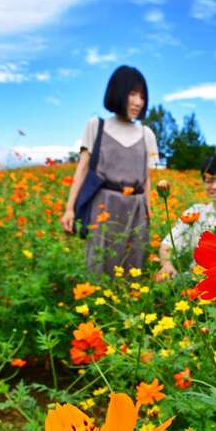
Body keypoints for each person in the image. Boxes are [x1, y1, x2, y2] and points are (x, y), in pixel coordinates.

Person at [60, 66, 159, 277]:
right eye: (132, 94)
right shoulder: (97, 126)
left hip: (137, 208)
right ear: (118, 92)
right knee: (99, 264)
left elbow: (146, 178)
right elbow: (82, 168)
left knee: (135, 266)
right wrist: (69, 209)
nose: (138, 102)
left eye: (142, 96)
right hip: (104, 206)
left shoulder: (146, 133)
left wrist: (148, 212)